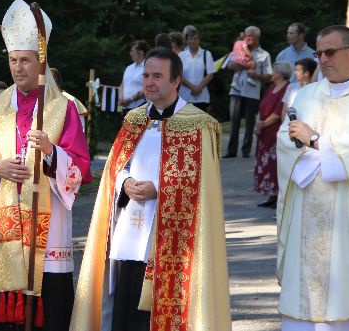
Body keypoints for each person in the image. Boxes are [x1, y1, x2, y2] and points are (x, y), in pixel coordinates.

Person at [70, 47, 231, 331]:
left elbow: (203, 185)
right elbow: (115, 168)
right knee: (124, 302)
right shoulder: (134, 119)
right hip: (129, 229)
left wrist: (159, 189)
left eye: (158, 76)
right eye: (146, 75)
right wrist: (125, 182)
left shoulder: (199, 125)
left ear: (176, 81)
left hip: (170, 235)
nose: (149, 82)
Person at [0, 0, 91, 331]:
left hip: (48, 215)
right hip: (5, 212)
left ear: (41, 62)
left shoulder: (63, 108)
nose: (18, 68)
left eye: (26, 61)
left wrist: (51, 152)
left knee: (47, 291)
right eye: (14, 60)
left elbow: (81, 167)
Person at [277, 25, 349, 331]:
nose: (322, 59)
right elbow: (287, 138)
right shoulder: (307, 95)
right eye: (319, 53)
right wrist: (315, 150)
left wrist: (319, 142)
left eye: (330, 52)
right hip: (306, 206)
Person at [224, 26, 273, 158]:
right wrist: (246, 64)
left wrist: (256, 75)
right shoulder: (240, 49)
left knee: (250, 121)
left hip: (252, 91)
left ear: (258, 37)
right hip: (236, 90)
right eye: (246, 35)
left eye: (251, 36)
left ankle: (246, 150)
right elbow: (229, 66)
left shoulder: (264, 54)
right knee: (234, 120)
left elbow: (269, 76)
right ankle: (231, 150)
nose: (248, 38)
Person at [253, 62, 291, 209]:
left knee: (274, 165)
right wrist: (258, 123)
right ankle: (271, 194)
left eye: (274, 71)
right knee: (266, 164)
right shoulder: (271, 88)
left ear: (280, 74)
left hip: (274, 131)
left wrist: (261, 124)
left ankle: (277, 195)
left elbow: (277, 113)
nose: (271, 73)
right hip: (264, 132)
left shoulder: (286, 88)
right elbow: (261, 107)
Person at [178, 26, 214, 112]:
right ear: (187, 41)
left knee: (200, 124)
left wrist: (199, 88)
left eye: (195, 39)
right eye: (190, 39)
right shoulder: (181, 55)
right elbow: (179, 75)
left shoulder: (206, 54)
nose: (193, 41)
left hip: (202, 97)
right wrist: (193, 87)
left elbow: (210, 74)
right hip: (185, 96)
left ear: (199, 40)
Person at [119, 40, 147, 116]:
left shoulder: (147, 68)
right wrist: (121, 97)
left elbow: (147, 90)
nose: (130, 53)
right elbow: (122, 84)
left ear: (141, 52)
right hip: (125, 108)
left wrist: (130, 100)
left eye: (132, 51)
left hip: (139, 107)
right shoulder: (129, 68)